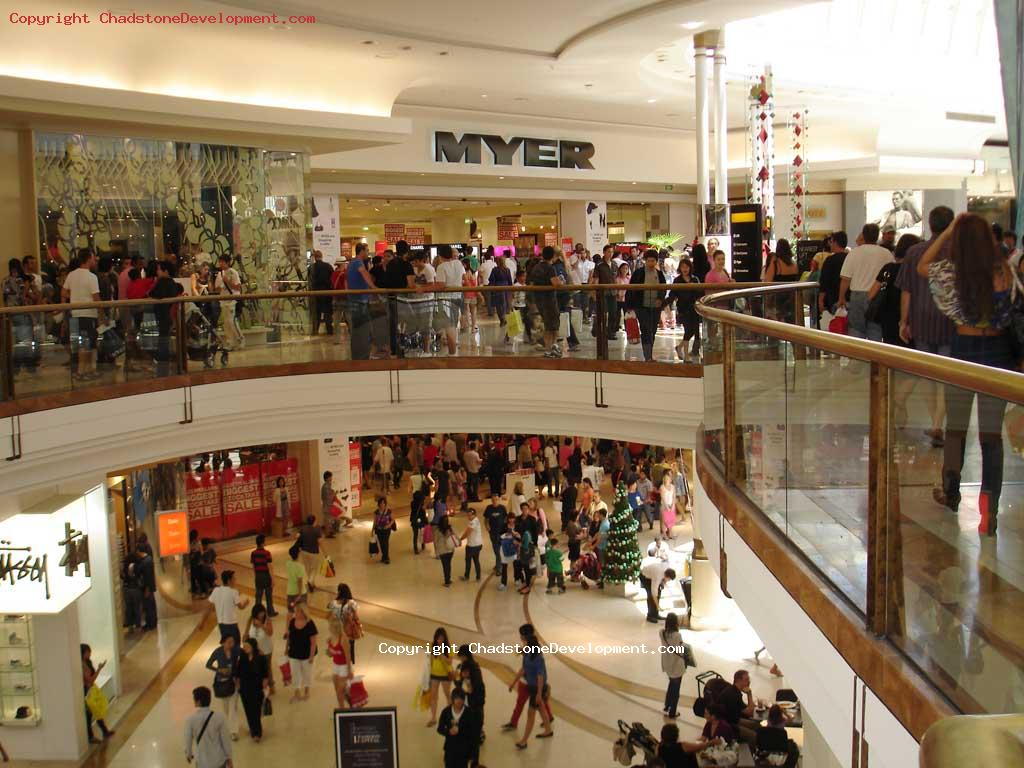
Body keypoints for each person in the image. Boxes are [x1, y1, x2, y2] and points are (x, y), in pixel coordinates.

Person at [918, 212, 1016, 535]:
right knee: (991, 436)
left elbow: (921, 266)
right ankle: (990, 510)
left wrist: (945, 234)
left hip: (963, 350)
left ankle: (951, 492)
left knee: (956, 428)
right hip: (999, 354)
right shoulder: (1004, 271)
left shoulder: (951, 273)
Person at [897, 206, 955, 447]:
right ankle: (937, 424)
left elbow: (907, 290)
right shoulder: (957, 253)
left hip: (921, 320)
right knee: (946, 375)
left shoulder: (915, 252)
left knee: (928, 375)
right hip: (951, 322)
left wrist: (904, 320)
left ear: (930, 225)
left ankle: (934, 421)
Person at [838, 223, 892, 341]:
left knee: (856, 331)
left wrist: (841, 297)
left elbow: (846, 279)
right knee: (876, 330)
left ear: (864, 235)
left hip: (857, 296)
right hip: (878, 296)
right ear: (877, 236)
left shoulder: (854, 253)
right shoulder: (886, 253)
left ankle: (857, 358)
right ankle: (875, 357)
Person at [868, 233, 919, 347]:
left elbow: (871, 294)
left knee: (891, 351)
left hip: (887, 317)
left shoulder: (888, 268)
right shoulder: (915, 270)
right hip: (910, 318)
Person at [509, 623, 553, 748]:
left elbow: (540, 676)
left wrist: (539, 693)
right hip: (533, 686)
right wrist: (513, 682)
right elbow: (524, 669)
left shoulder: (537, 657)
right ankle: (548, 730)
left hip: (536, 688)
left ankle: (524, 740)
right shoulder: (527, 652)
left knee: (531, 714)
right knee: (542, 708)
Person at [63, 248, 101, 380]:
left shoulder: (71, 275)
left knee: (80, 344)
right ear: (89, 258)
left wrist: (74, 296)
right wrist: (102, 315)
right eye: (93, 257)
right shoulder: (92, 277)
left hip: (75, 314)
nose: (95, 259)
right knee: (88, 344)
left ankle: (87, 370)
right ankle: (82, 371)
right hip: (88, 314)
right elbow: (96, 298)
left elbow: (63, 293)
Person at [626, 249, 668, 361]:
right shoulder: (638, 273)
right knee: (645, 329)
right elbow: (631, 289)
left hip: (655, 307)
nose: (650, 263)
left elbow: (663, 288)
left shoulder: (659, 274)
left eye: (653, 261)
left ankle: (649, 353)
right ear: (645, 260)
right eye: (648, 261)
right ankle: (647, 356)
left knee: (653, 330)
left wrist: (660, 298)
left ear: (656, 261)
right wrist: (629, 306)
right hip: (641, 306)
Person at [184, 686, 233, 768]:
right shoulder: (220, 717)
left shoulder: (190, 719)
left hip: (202, 762)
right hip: (219, 761)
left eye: (194, 699)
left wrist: (188, 754)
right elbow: (225, 740)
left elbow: (187, 741)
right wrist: (229, 758)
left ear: (198, 702)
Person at [233, 637, 269, 742]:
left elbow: (265, 673)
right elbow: (237, 673)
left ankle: (258, 732)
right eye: (244, 646)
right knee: (248, 710)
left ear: (253, 647)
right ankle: (254, 731)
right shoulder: (242, 658)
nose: (245, 648)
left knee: (256, 711)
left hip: (257, 688)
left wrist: (265, 684)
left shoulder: (260, 658)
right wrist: (238, 686)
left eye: (247, 646)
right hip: (245, 688)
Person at [205, 634, 240, 740]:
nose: (231, 644)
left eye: (232, 642)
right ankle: (229, 726)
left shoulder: (235, 651)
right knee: (226, 708)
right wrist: (219, 670)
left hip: (233, 681)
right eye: (229, 642)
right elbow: (208, 664)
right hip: (222, 682)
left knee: (233, 706)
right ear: (223, 642)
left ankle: (233, 731)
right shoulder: (218, 652)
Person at [347, 242, 377, 360]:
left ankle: (359, 355)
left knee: (358, 329)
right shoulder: (358, 262)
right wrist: (374, 288)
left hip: (356, 300)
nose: (368, 252)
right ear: (362, 251)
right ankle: (362, 356)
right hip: (359, 301)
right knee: (362, 330)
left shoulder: (352, 263)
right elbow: (364, 274)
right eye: (367, 250)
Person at [437, 688, 481, 768]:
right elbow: (440, 729)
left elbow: (474, 735)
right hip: (450, 749)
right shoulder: (446, 712)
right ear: (452, 699)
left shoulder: (470, 713)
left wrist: (473, 755)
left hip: (464, 751)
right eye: (457, 698)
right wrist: (448, 732)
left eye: (461, 698)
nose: (459, 701)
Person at [81, 644, 114, 743]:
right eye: (88, 652)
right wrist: (99, 669)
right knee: (90, 713)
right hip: (87, 691)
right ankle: (91, 736)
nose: (90, 654)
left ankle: (104, 731)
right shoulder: (82, 665)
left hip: (91, 689)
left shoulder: (86, 662)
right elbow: (90, 680)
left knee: (96, 711)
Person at [285, 602, 318, 701]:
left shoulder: (310, 624)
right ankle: (297, 692)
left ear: (303, 612)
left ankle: (307, 691)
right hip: (294, 653)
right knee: (295, 673)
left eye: (297, 611)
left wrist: (311, 656)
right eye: (295, 611)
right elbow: (289, 636)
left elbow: (313, 642)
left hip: (307, 654)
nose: (295, 613)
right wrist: (286, 648)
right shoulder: (292, 621)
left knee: (307, 673)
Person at [670, 258, 701, 362]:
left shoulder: (695, 279)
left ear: (690, 267)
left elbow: (699, 293)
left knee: (694, 330)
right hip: (683, 309)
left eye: (687, 267)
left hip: (694, 309)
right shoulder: (677, 280)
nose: (685, 269)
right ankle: (686, 355)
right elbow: (672, 294)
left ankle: (680, 347)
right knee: (688, 331)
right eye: (683, 267)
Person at [209, 570, 249, 647]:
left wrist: (202, 622)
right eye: (234, 579)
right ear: (229, 581)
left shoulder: (216, 590)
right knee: (236, 643)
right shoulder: (234, 592)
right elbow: (241, 607)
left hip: (221, 624)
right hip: (231, 624)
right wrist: (246, 602)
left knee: (226, 643)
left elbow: (210, 607)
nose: (235, 580)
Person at [214, 254, 244, 351]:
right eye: (220, 262)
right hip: (224, 301)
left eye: (222, 262)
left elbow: (238, 287)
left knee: (232, 321)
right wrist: (221, 286)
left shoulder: (233, 272)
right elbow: (217, 289)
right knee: (226, 323)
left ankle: (240, 339)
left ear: (227, 262)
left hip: (233, 300)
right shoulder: (220, 274)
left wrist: (228, 282)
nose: (221, 264)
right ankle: (230, 342)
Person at [718, 670, 758, 744]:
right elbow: (750, 713)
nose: (749, 682)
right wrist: (749, 693)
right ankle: (749, 753)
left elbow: (746, 709)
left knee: (756, 725)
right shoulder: (733, 695)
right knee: (753, 735)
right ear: (738, 680)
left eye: (749, 679)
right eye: (746, 680)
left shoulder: (733, 690)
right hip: (728, 725)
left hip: (733, 719)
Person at [590, 244, 620, 340]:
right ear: (604, 252)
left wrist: (618, 290)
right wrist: (595, 292)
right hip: (603, 293)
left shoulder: (614, 264)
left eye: (612, 252)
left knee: (613, 312)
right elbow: (596, 279)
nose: (610, 254)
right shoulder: (599, 264)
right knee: (602, 313)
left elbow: (616, 278)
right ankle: (598, 330)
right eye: (608, 252)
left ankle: (611, 332)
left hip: (613, 292)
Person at [818, 231, 849, 320]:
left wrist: (820, 300)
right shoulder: (850, 258)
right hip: (849, 298)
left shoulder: (830, 260)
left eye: (831, 242)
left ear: (835, 243)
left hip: (833, 300)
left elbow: (824, 281)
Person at [660, 613, 686, 719]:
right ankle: (672, 712)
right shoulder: (677, 635)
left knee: (671, 685)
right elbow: (680, 650)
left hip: (667, 664)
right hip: (676, 666)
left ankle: (667, 706)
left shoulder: (661, 633)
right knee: (676, 690)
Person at [426, 627, 454, 727]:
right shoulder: (432, 646)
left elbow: (450, 661)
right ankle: (433, 717)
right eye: (438, 638)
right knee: (433, 696)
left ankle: (450, 716)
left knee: (447, 695)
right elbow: (431, 661)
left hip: (446, 674)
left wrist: (441, 654)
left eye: (441, 638)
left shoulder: (449, 648)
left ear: (445, 638)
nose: (440, 640)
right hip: (434, 674)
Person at [328, 583, 362, 664]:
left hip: (337, 631)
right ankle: (350, 663)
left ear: (339, 592)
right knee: (349, 648)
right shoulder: (352, 603)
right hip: (349, 631)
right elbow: (356, 617)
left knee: (340, 649)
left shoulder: (333, 603)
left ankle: (340, 663)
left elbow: (330, 616)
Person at [640, 545, 675, 623]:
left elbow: (664, 580)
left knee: (658, 593)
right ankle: (650, 616)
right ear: (666, 576)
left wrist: (663, 583)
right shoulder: (658, 576)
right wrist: (658, 605)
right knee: (651, 596)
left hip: (652, 573)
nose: (667, 581)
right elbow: (653, 592)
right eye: (668, 580)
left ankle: (656, 614)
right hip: (645, 577)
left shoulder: (667, 568)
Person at [245, 605, 275, 695]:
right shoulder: (250, 620)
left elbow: (270, 633)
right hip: (254, 650)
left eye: (263, 612)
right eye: (259, 613)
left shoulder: (267, 620)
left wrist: (262, 625)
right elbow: (246, 633)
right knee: (256, 668)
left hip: (266, 650)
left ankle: (271, 686)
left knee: (267, 668)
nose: (261, 615)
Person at [326, 618, 354, 707]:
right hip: (336, 665)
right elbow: (330, 654)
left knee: (339, 691)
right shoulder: (330, 639)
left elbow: (348, 656)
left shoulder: (343, 639)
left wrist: (349, 671)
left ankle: (342, 710)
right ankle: (343, 706)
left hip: (344, 666)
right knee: (337, 690)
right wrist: (329, 652)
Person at [249, 535, 277, 617]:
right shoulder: (267, 553)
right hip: (266, 575)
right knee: (268, 595)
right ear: (262, 543)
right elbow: (269, 567)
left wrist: (256, 576)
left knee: (258, 595)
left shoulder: (253, 553)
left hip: (258, 575)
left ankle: (257, 613)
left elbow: (253, 566)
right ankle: (270, 612)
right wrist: (273, 579)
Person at [309, 249, 334, 335]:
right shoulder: (328, 266)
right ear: (321, 256)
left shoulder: (311, 267)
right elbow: (332, 279)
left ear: (315, 258)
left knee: (316, 313)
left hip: (315, 293)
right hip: (327, 293)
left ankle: (315, 331)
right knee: (327, 313)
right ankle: (329, 330)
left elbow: (310, 281)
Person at [483, 493, 507, 575]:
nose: (494, 501)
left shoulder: (502, 508)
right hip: (493, 533)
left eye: (496, 500)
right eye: (493, 500)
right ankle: (498, 564)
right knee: (496, 550)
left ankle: (499, 568)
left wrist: (506, 529)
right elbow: (486, 519)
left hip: (501, 533)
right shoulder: (488, 508)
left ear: (499, 500)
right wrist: (487, 527)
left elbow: (505, 518)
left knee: (499, 551)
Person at [296, 516, 322, 590]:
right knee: (314, 569)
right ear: (314, 521)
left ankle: (312, 583)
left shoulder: (303, 528)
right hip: (314, 552)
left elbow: (297, 536)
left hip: (304, 551)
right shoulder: (316, 530)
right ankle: (310, 582)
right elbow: (320, 542)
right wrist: (325, 552)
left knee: (308, 568)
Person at [458, 507, 484, 581]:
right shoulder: (475, 520)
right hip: (478, 544)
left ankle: (466, 577)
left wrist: (460, 540)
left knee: (468, 561)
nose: (468, 517)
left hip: (472, 546)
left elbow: (468, 532)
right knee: (476, 561)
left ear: (474, 515)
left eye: (470, 515)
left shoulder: (473, 522)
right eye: (468, 515)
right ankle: (478, 577)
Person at [372, 496, 396, 564]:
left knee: (385, 543)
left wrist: (388, 525)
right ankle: (384, 557)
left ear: (385, 504)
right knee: (381, 544)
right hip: (379, 530)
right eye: (381, 503)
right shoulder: (376, 512)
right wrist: (372, 530)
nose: (382, 504)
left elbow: (392, 520)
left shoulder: (388, 511)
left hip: (386, 530)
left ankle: (386, 558)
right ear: (379, 504)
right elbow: (374, 522)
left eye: (383, 503)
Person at [435, 516, 457, 586]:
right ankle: (448, 579)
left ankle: (447, 581)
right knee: (449, 565)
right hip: (450, 550)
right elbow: (455, 536)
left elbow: (435, 541)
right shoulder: (450, 528)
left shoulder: (437, 530)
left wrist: (437, 551)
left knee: (445, 566)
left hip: (442, 551)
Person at [285, 545, 306, 611]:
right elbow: (299, 581)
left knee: (290, 611)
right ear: (298, 554)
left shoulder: (287, 564)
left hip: (290, 591)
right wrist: (299, 594)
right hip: (300, 593)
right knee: (302, 611)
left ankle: (289, 621)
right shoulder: (300, 567)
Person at [320, 471, 338, 536]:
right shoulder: (326, 486)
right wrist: (333, 494)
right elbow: (328, 497)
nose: (331, 478)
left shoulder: (327, 485)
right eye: (330, 477)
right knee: (327, 520)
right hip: (327, 506)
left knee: (329, 520)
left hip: (328, 505)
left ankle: (330, 532)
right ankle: (328, 534)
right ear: (327, 478)